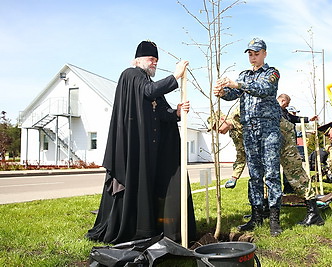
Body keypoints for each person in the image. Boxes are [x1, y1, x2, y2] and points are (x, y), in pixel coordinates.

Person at [86, 41, 196, 244]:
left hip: (149, 150)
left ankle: (150, 226)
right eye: (150, 58)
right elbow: (148, 91)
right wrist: (175, 76)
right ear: (137, 60)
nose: (154, 62)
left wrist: (177, 112)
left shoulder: (149, 83)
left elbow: (162, 111)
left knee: (150, 189)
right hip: (133, 149)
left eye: (156, 59)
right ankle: (133, 229)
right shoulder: (132, 75)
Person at [214, 37, 283, 236]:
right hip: (249, 129)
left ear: (265, 54)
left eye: (256, 53)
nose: (253, 57)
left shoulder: (272, 73)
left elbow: (265, 89)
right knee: (254, 174)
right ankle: (256, 216)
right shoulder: (244, 75)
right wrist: (222, 92)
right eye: (250, 54)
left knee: (271, 173)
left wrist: (237, 84)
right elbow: (233, 94)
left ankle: (274, 219)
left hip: (268, 129)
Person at [208, 105, 246, 189]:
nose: (217, 131)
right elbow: (241, 155)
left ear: (222, 119)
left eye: (216, 127)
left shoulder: (239, 112)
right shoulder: (234, 134)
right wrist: (234, 177)